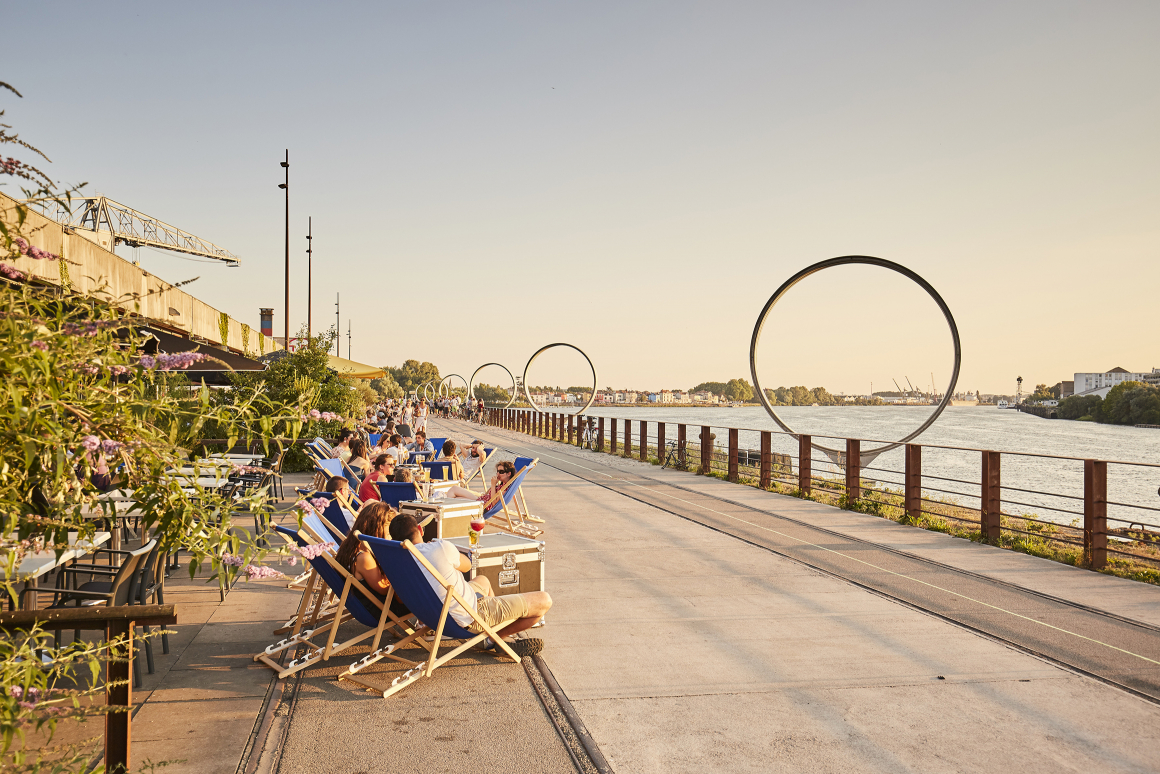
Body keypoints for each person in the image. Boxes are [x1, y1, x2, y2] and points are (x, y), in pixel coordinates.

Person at [388, 513, 549, 656]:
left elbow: (401, 599)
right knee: (544, 601)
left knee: (483, 580)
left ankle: (489, 635)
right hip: (469, 618)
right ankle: (497, 638)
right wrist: (439, 548)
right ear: (420, 530)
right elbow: (467, 565)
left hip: (434, 616)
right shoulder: (439, 548)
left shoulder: (396, 561)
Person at [334, 502, 410, 618]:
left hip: (367, 604)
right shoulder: (364, 557)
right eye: (389, 533)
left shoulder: (352, 545)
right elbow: (385, 590)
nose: (391, 537)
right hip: (380, 610)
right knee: (425, 596)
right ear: (376, 530)